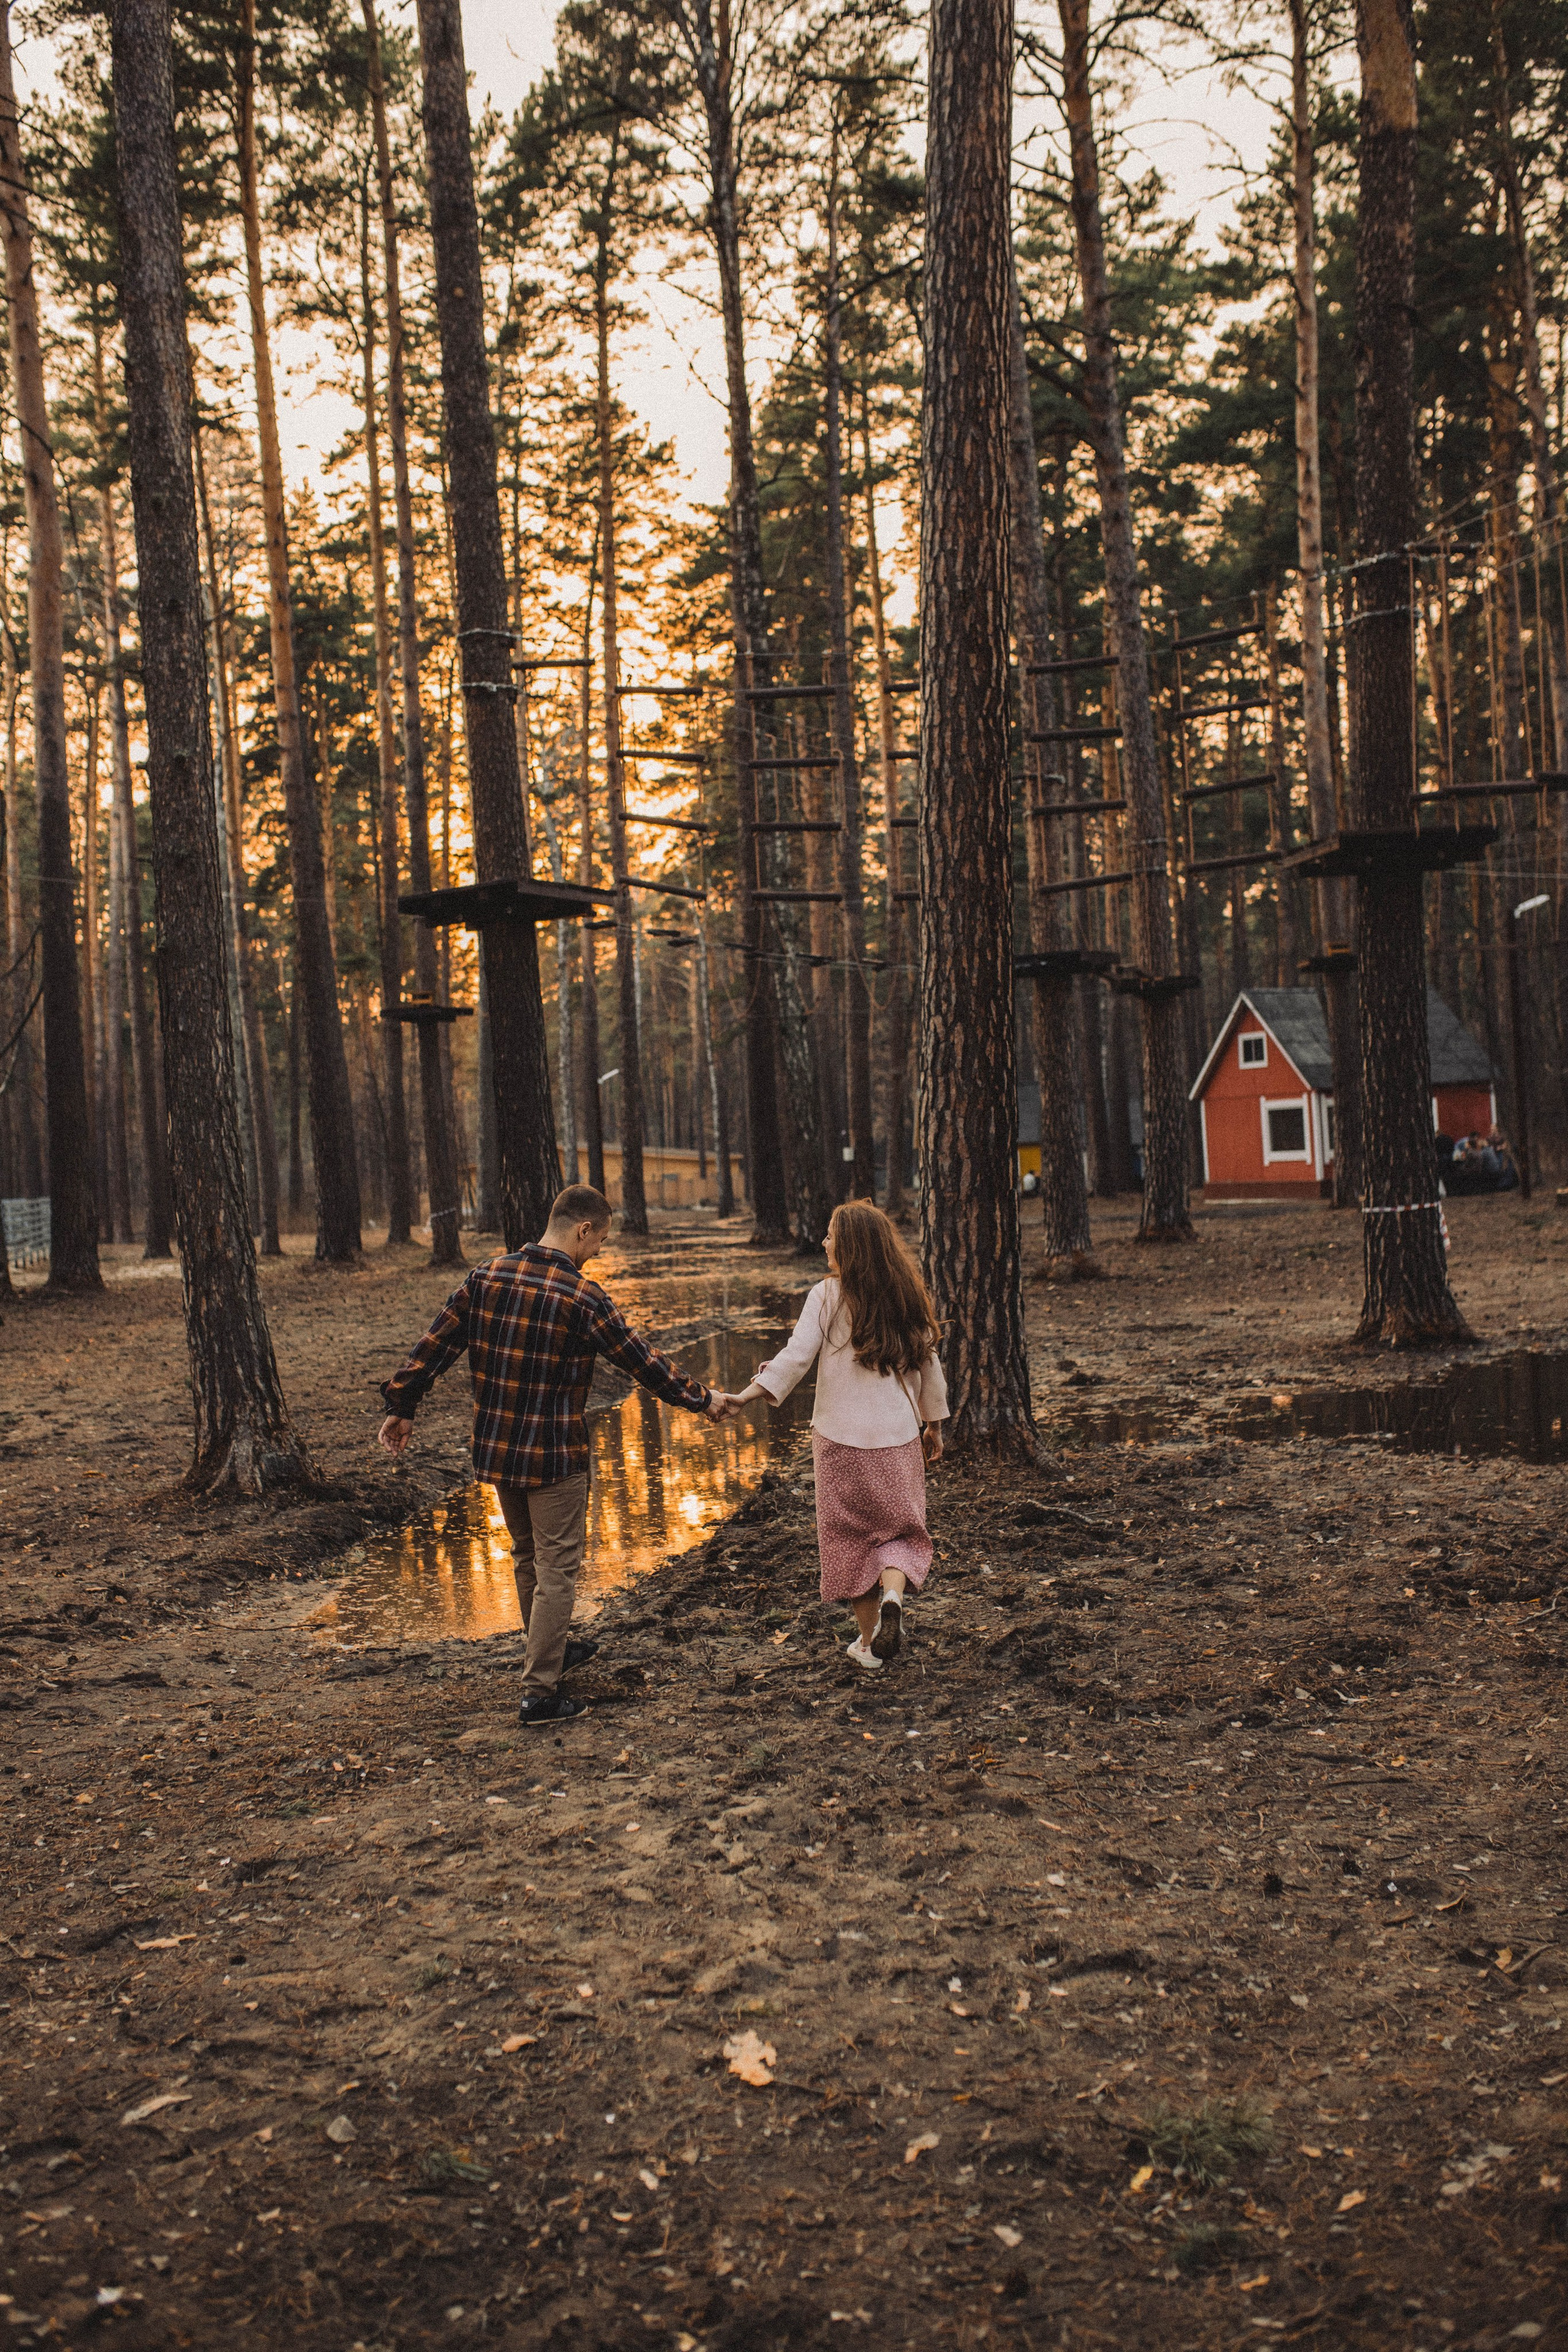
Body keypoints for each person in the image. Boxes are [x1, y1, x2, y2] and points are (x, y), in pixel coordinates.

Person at [378, 1183, 725, 1726]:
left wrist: (402, 1403)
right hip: (555, 1456)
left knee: (526, 1556)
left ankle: (551, 1652)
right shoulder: (581, 1296)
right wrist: (703, 1400)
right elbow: (642, 1363)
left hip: (497, 1449)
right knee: (558, 1568)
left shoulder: (486, 1276)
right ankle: (540, 1692)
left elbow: (435, 1345)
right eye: (600, 1240)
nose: (599, 1252)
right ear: (582, 1229)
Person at [720, 1199, 948, 1672]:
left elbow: (795, 1357)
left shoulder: (826, 1295)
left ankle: (869, 1644)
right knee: (900, 1532)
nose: (824, 1243)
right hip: (898, 1439)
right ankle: (893, 1596)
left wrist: (745, 1396)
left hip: (840, 1443)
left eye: (830, 1236)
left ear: (851, 1248)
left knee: (850, 1540)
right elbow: (931, 1366)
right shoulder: (907, 1294)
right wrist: (935, 1425)